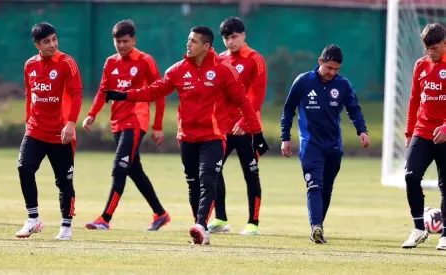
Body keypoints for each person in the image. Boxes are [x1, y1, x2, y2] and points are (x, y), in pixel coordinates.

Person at [103, 26, 269, 245]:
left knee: (207, 179)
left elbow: (244, 102)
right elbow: (154, 90)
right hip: (187, 137)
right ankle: (200, 228)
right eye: (188, 40)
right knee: (192, 184)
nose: (188, 44)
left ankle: (201, 224)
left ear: (206, 46)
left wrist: (256, 134)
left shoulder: (224, 70)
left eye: (193, 41)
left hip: (214, 136)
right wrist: (124, 95)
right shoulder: (178, 70)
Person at [82, 20, 170, 231]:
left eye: (125, 41)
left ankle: (105, 218)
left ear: (133, 40)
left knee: (119, 168)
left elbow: (159, 94)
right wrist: (91, 114)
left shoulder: (144, 60)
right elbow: (103, 91)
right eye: (117, 41)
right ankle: (160, 213)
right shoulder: (110, 62)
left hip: (136, 121)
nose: (121, 45)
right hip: (117, 122)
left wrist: (156, 126)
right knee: (134, 170)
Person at [280, 44, 369, 244]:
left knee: (326, 188)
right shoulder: (303, 82)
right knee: (314, 185)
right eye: (329, 68)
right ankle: (316, 226)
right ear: (320, 62)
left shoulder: (343, 84)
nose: (332, 73)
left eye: (336, 69)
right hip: (310, 144)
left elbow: (354, 109)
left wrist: (361, 130)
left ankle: (319, 226)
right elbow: (288, 110)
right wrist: (285, 137)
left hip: (333, 146)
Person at [15, 22, 82, 240]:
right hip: (35, 130)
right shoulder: (29, 65)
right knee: (24, 168)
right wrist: (27, 121)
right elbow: (29, 95)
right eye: (46, 42)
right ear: (37, 45)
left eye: (54, 39)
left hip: (60, 133)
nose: (52, 44)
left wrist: (71, 123)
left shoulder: (66, 62)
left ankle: (66, 227)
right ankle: (33, 219)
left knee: (64, 182)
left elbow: (77, 94)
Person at [207, 16, 266, 235]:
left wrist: (244, 120)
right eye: (225, 38)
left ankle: (253, 222)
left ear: (243, 35)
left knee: (250, 173)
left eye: (233, 37)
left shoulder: (255, 58)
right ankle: (220, 218)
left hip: (247, 128)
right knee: (213, 170)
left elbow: (257, 93)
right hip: (223, 128)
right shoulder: (220, 59)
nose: (230, 41)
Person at [401, 23, 446, 250]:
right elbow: (413, 100)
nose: (430, 51)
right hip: (423, 131)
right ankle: (419, 229)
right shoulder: (420, 66)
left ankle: (445, 235)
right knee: (410, 176)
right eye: (427, 47)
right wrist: (409, 132)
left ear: (444, 43)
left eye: (435, 47)